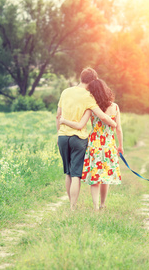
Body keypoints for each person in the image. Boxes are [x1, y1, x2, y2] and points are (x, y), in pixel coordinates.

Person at [56, 68, 117, 211]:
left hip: (63, 136)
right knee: (76, 174)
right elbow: (102, 116)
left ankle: (72, 204)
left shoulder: (65, 92)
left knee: (68, 172)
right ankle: (72, 207)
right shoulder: (89, 96)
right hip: (79, 138)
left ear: (81, 77)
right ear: (92, 80)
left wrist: (59, 133)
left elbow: (58, 115)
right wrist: (113, 123)